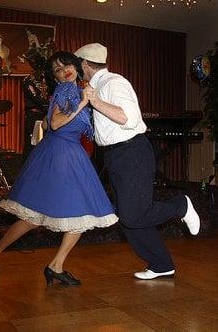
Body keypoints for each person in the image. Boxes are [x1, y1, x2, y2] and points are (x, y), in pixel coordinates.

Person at [0, 52, 118, 288]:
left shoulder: (74, 91)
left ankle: (55, 266)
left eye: (67, 65)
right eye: (58, 70)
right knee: (39, 217)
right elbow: (54, 123)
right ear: (56, 77)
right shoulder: (67, 90)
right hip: (60, 155)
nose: (64, 71)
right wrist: (83, 103)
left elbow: (46, 122)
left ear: (76, 65)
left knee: (73, 215)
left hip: (70, 154)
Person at [74, 43, 200, 280]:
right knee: (129, 216)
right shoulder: (96, 87)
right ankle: (161, 264)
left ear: (85, 64)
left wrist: (95, 102)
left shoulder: (113, 83)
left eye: (78, 65)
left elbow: (129, 118)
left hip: (131, 152)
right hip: (116, 154)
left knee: (132, 215)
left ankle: (180, 205)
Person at [22, 48, 56, 161]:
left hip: (47, 115)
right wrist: (51, 107)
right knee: (32, 145)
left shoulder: (47, 78)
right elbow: (36, 98)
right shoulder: (27, 80)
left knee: (47, 145)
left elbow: (54, 93)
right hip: (34, 116)